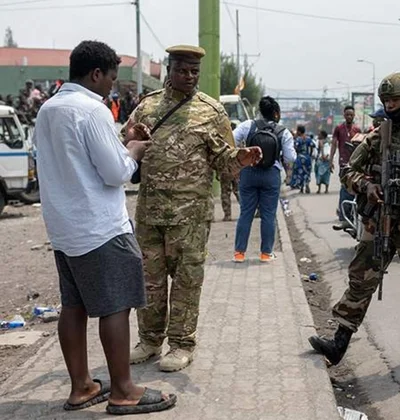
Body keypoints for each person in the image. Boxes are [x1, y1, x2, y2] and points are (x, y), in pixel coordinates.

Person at [34, 40, 176, 415]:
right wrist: (133, 150)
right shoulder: (91, 111)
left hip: (64, 228)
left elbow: (76, 159)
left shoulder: (48, 109)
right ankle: (123, 390)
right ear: (96, 74)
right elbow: (115, 173)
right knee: (117, 306)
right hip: (100, 228)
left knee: (74, 306)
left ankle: (81, 386)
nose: (112, 87)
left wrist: (121, 140)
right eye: (111, 79)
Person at [308, 72, 400, 373]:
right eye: (386, 101)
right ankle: (338, 344)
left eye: (395, 100)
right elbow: (349, 172)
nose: (390, 106)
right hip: (381, 223)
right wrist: (368, 186)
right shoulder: (378, 137)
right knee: (360, 281)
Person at [124, 45, 262, 372]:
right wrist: (130, 136)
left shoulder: (211, 112)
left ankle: (182, 344)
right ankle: (149, 339)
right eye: (182, 70)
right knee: (149, 280)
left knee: (187, 280)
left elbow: (224, 161)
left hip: (191, 216)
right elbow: (124, 146)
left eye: (194, 72)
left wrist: (239, 159)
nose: (189, 76)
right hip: (151, 212)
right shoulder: (147, 107)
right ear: (169, 69)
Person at [233, 96, 297, 263]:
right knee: (268, 214)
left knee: (246, 213)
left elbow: (231, 139)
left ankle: (239, 253)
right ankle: (265, 254)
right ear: (276, 113)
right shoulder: (283, 132)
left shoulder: (248, 125)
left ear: (260, 112)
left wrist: (243, 153)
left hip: (249, 172)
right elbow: (291, 157)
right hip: (271, 175)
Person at [331, 105, 362, 229]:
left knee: (355, 189)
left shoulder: (357, 129)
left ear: (354, 116)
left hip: (356, 164)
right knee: (345, 188)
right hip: (344, 164)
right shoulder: (339, 128)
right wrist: (330, 160)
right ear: (344, 115)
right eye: (347, 114)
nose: (349, 116)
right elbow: (334, 144)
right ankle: (343, 217)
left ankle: (352, 215)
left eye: (351, 114)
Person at [289, 125, 315, 193]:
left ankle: (301, 188)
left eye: (297, 131)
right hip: (307, 157)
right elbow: (312, 146)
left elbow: (295, 147)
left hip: (300, 157)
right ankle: (307, 185)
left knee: (300, 172)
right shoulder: (308, 139)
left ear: (299, 131)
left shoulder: (298, 139)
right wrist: (310, 155)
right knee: (307, 172)